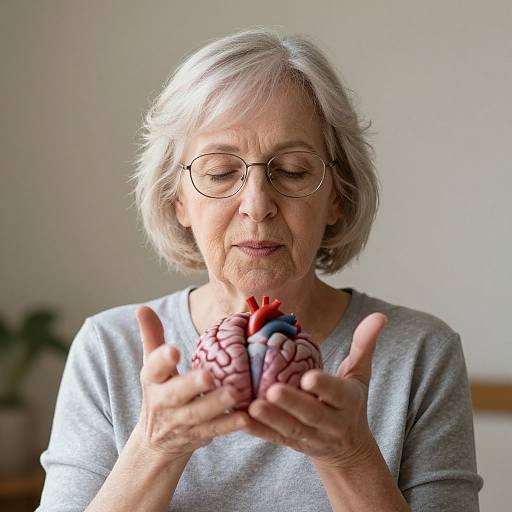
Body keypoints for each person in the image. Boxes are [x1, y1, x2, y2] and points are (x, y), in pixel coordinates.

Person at [36, 27, 483, 511]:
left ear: (337, 195)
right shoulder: (109, 349)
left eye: (292, 170)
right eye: (220, 172)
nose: (257, 204)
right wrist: (156, 446)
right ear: (177, 200)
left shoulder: (418, 355)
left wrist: (349, 454)